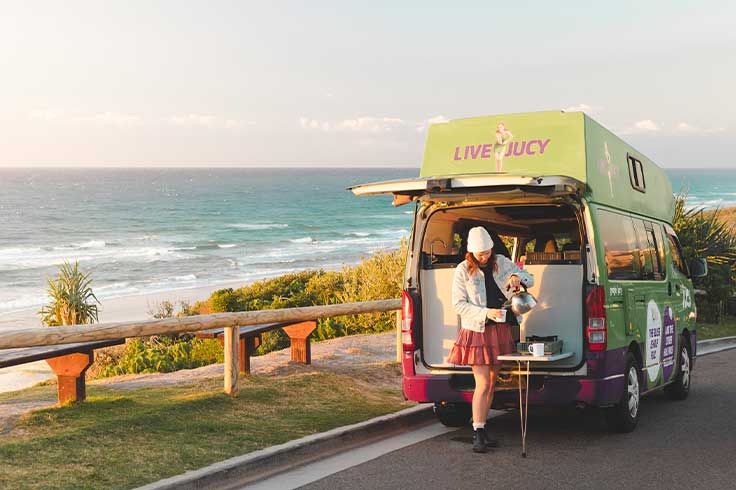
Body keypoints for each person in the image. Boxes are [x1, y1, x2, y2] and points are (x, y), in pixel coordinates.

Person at [448, 226, 534, 453]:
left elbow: (530, 279)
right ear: (471, 252)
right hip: (477, 330)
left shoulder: (502, 262)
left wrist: (517, 276)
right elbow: (458, 304)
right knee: (483, 383)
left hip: (500, 328)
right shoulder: (462, 270)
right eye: (480, 254)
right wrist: (486, 313)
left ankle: (483, 428)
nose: (484, 257)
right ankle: (476, 433)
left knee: (493, 381)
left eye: (487, 252)